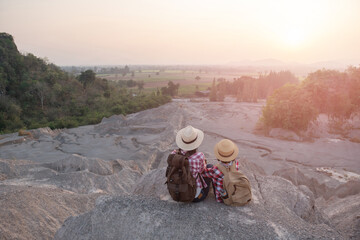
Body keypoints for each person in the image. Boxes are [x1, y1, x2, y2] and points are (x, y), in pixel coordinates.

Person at [171, 125, 211, 202]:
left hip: (176, 194)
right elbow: (202, 170)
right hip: (195, 197)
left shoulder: (173, 154)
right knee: (210, 166)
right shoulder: (199, 156)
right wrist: (204, 162)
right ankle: (203, 193)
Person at [202, 139, 240, 203]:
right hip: (232, 193)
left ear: (219, 156)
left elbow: (203, 173)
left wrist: (204, 165)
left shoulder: (215, 170)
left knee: (209, 166)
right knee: (217, 175)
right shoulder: (236, 163)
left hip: (222, 198)